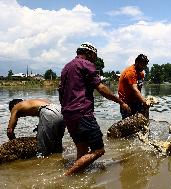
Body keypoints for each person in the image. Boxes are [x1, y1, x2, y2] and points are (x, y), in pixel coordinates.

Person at [58, 42, 130, 176]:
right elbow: (101, 88)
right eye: (94, 56)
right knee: (99, 150)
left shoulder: (66, 67)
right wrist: (120, 102)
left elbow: (60, 91)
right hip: (82, 113)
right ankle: (67, 177)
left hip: (68, 114)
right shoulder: (86, 64)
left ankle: (78, 176)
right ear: (89, 53)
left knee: (82, 149)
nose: (95, 60)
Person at [118, 54, 151, 119]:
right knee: (128, 125)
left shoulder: (141, 74)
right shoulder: (130, 72)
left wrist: (143, 102)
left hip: (136, 101)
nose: (143, 67)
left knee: (141, 122)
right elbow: (135, 89)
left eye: (145, 65)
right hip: (126, 102)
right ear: (136, 62)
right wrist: (144, 102)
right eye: (142, 64)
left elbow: (139, 90)